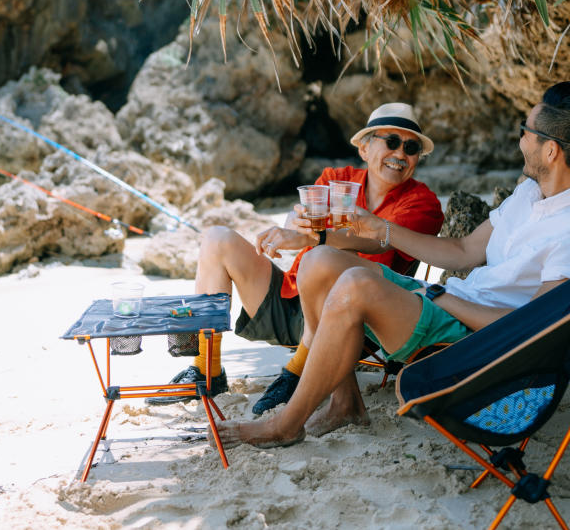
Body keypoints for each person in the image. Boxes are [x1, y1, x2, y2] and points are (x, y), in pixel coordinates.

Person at [216, 81, 570, 448]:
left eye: (526, 131)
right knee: (320, 261)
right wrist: (381, 229)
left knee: (355, 283)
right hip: (453, 303)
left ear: (551, 150)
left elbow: (534, 330)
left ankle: (287, 425)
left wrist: (443, 297)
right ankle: (345, 403)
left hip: (477, 341)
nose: (520, 139)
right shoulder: (530, 193)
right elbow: (465, 251)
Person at [148, 103, 444, 412]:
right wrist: (290, 229)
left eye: (411, 148)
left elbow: (376, 244)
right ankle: (207, 369)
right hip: (294, 296)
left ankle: (299, 369)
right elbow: (301, 217)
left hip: (352, 317)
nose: (400, 154)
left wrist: (316, 237)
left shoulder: (422, 203)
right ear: (365, 149)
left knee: (329, 261)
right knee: (216, 239)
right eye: (392, 142)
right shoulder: (337, 177)